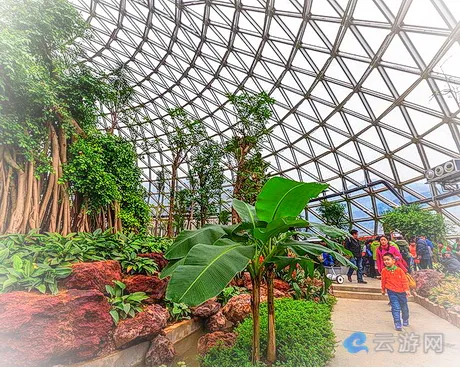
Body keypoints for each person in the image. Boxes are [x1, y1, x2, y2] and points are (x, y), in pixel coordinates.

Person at [381, 252, 411, 331]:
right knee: (395, 307)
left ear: (393, 260)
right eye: (384, 260)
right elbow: (383, 281)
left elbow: (404, 281)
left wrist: (406, 289)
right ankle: (397, 323)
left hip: (401, 292)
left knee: (404, 307)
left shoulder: (399, 270)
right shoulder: (384, 271)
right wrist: (383, 289)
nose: (386, 261)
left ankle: (405, 319)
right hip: (391, 292)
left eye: (388, 259)